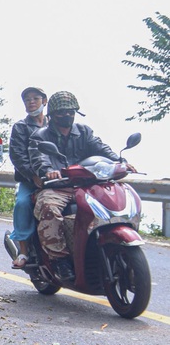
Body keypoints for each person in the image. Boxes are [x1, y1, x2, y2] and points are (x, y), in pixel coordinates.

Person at [29, 91, 133, 280]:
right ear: (52, 115)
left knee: (112, 204)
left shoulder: (84, 132)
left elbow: (101, 148)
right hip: (57, 186)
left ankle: (109, 245)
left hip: (87, 185)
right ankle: (59, 259)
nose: (67, 115)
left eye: (71, 112)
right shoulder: (40, 136)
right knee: (49, 208)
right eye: (62, 112)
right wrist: (48, 171)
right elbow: (38, 158)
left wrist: (121, 161)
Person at [8, 86, 47, 267]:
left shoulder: (54, 125)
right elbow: (17, 156)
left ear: (44, 101)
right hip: (30, 180)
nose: (31, 102)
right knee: (23, 203)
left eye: (35, 98)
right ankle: (23, 251)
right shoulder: (21, 127)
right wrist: (33, 176)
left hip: (57, 179)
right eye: (27, 99)